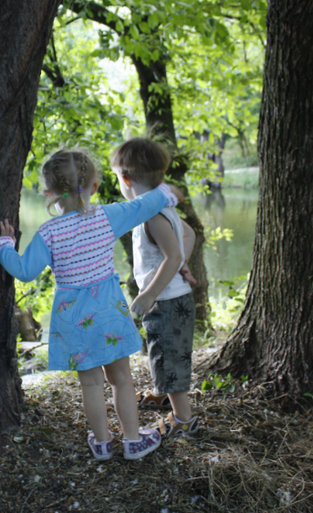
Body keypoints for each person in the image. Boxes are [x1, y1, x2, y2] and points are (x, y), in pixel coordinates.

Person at [0, 149, 180, 460]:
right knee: (121, 378)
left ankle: (103, 445)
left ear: (49, 192)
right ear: (93, 186)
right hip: (108, 312)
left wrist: (3, 247)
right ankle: (133, 442)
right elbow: (145, 205)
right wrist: (166, 192)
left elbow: (24, 271)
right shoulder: (108, 216)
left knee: (91, 383)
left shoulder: (48, 232)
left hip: (73, 317)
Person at [110, 137, 200, 438]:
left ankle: (183, 420)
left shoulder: (152, 216)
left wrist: (148, 294)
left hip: (166, 301)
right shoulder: (164, 210)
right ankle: (164, 394)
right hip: (175, 298)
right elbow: (188, 237)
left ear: (126, 179)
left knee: (169, 360)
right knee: (164, 355)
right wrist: (182, 263)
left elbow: (173, 254)